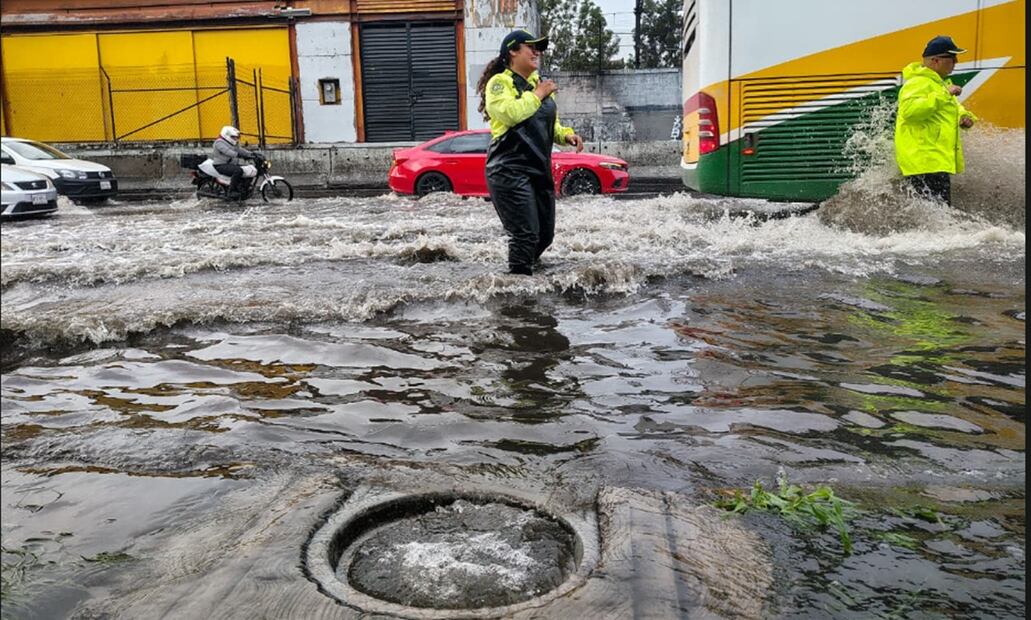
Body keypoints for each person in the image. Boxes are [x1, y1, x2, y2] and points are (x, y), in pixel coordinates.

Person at [477, 29, 584, 276]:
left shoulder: (539, 85)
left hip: (538, 168)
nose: (537, 52)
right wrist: (538, 94)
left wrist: (566, 135)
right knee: (525, 235)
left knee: (545, 235)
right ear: (513, 51)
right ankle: (518, 294)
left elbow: (549, 123)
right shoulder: (500, 83)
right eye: (531, 47)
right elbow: (509, 113)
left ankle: (523, 274)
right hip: (508, 169)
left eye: (539, 48)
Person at [894, 35, 977, 206]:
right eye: (952, 58)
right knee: (935, 215)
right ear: (936, 60)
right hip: (924, 161)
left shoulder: (939, 84)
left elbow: (951, 109)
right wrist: (945, 93)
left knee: (939, 215)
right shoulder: (918, 83)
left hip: (935, 161)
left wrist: (965, 117)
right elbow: (909, 111)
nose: (956, 62)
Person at [211, 125, 255, 199]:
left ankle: (242, 188)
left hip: (230, 163)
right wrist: (239, 155)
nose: (235, 139)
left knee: (247, 170)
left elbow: (240, 150)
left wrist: (251, 154)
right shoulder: (219, 142)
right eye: (233, 137)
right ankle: (231, 191)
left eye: (236, 137)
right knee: (238, 170)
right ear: (227, 135)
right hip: (220, 165)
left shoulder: (232, 143)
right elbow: (228, 152)